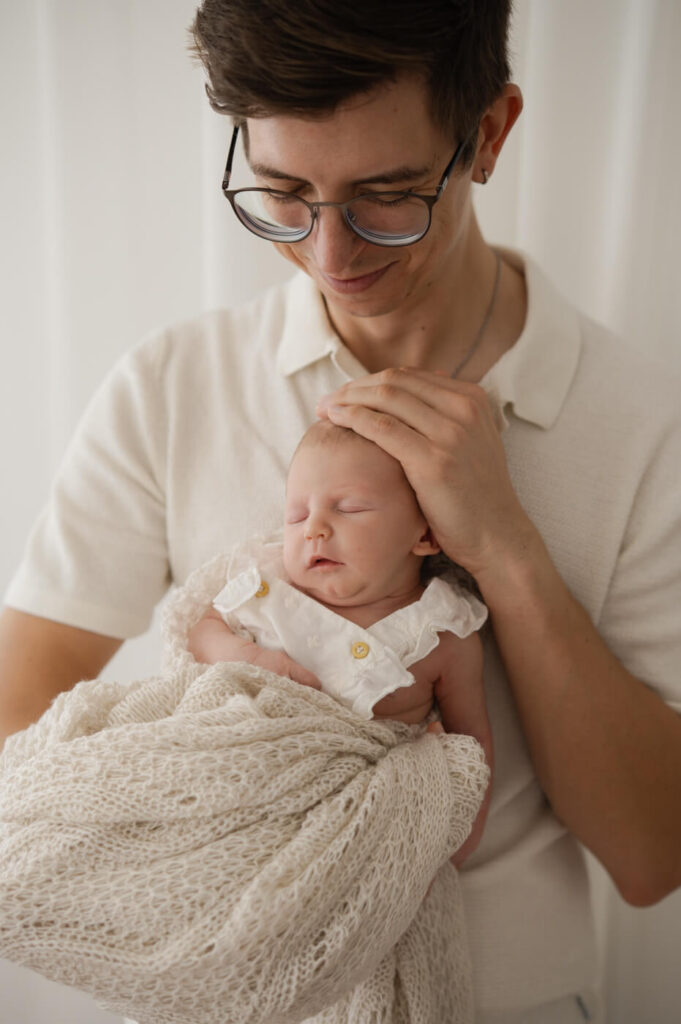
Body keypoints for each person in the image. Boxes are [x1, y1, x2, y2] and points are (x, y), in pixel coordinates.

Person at [1, 1, 680, 1021]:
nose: (328, 254)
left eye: (388, 198)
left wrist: (506, 549)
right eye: (281, 194)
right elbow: (22, 732)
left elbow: (651, 852)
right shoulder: (173, 385)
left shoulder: (640, 420)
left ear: (488, 134)